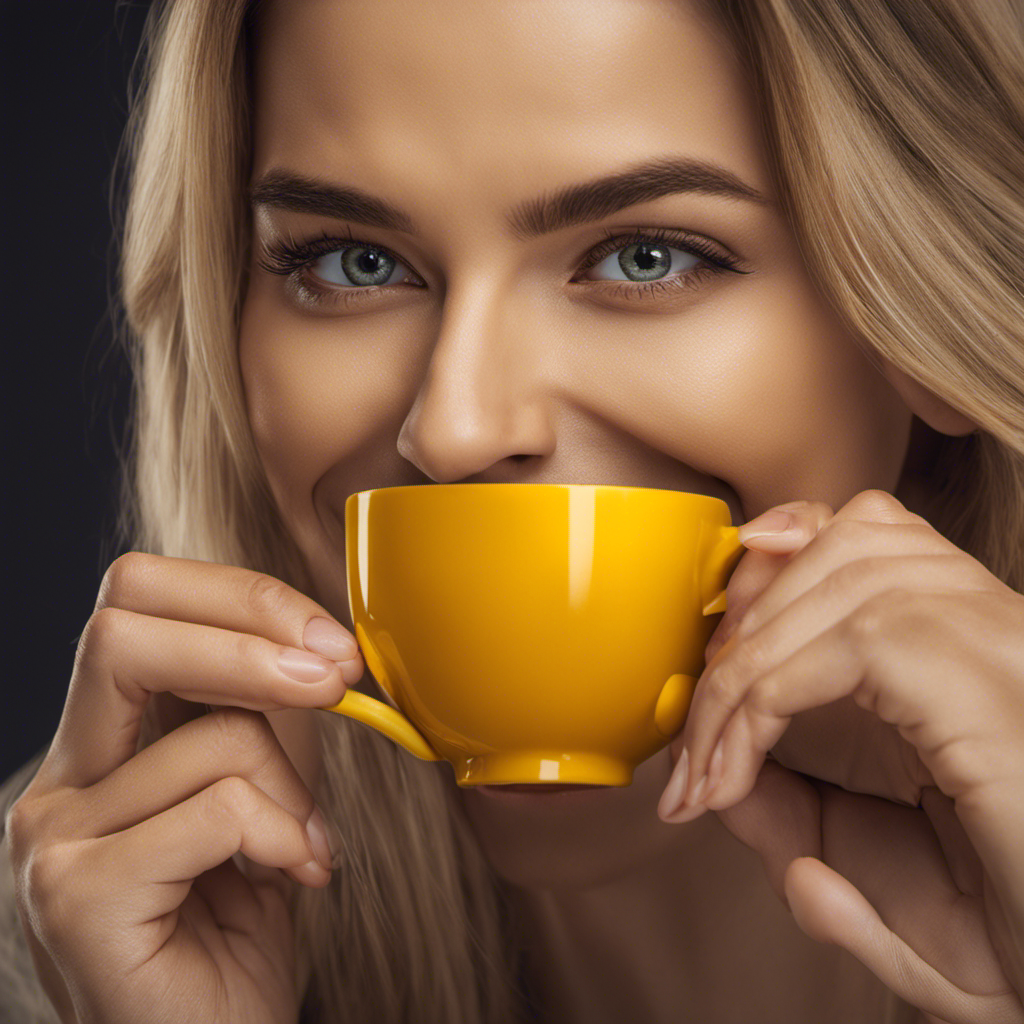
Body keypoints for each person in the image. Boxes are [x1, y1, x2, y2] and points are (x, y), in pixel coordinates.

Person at [2, 0, 1023, 1020]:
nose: (451, 427)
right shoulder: (67, 961)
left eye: (646, 256)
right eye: (351, 261)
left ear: (928, 307)